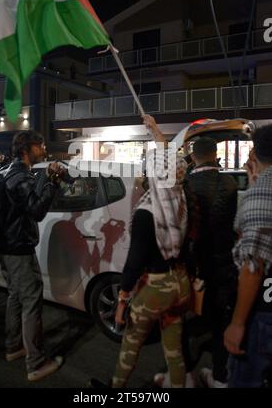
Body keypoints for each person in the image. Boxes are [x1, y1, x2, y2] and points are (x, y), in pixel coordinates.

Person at [92, 115, 191, 388]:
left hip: (155, 289)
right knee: (174, 349)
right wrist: (157, 132)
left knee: (131, 342)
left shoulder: (148, 211)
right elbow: (169, 162)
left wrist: (123, 298)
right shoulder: (180, 199)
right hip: (179, 283)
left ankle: (116, 387)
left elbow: (135, 262)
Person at [153, 133, 238, 388]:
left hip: (192, 265)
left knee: (182, 321)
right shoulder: (231, 183)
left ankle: (185, 373)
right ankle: (221, 376)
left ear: (193, 157)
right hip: (224, 264)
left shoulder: (186, 184)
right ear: (216, 155)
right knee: (222, 321)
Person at [0, 130, 65, 382]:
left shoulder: (9, 173)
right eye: (40, 145)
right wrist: (53, 182)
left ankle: (14, 347)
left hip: (6, 246)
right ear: (27, 148)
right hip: (17, 248)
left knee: (15, 295)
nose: (44, 149)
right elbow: (36, 210)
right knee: (31, 299)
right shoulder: (19, 176)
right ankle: (35, 363)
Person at [224, 124, 272, 388]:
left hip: (264, 311)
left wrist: (238, 323)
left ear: (254, 153)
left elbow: (253, 266)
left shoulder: (260, 195)